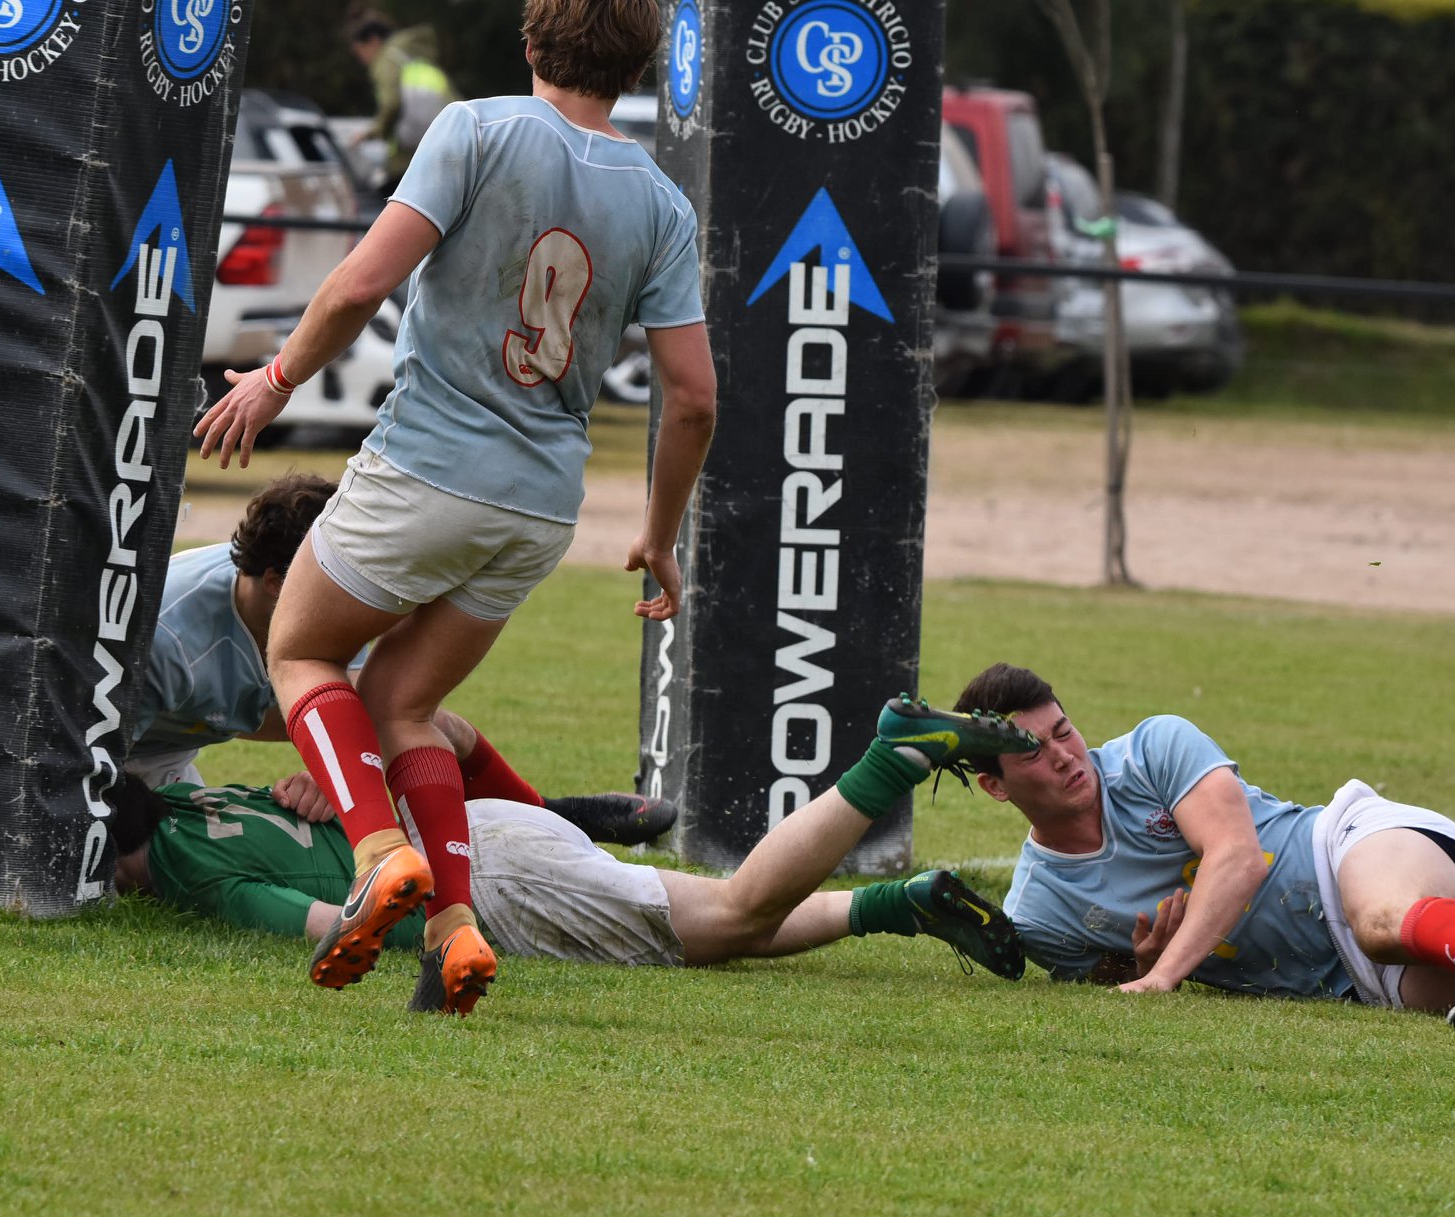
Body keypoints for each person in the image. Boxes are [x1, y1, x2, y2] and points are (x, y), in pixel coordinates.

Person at [193, 0, 716, 1016]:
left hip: (428, 469)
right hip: (539, 506)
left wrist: (275, 378)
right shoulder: (659, 200)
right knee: (403, 704)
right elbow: (691, 397)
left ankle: (379, 854)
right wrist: (657, 531)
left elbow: (357, 286)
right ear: (640, 64)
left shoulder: (473, 129)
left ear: (530, 43)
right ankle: (452, 926)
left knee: (299, 652)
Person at [108, 698, 1038, 1013]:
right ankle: (905, 904)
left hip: (487, 883)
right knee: (721, 928)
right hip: (486, 831)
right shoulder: (199, 794)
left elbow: (351, 924)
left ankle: (893, 758)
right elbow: (438, 729)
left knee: (734, 913)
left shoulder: (187, 870)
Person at [951, 662, 1455, 1029]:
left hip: (1349, 849)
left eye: (1065, 731)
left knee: (1381, 920)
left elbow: (1238, 858)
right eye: (1034, 751)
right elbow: (1114, 985)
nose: (1066, 756)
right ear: (994, 786)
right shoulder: (1039, 914)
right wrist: (1147, 967)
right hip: (1346, 983)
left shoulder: (1152, 749)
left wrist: (1164, 978)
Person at [126, 472, 676, 845]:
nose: (351, 587)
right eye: (336, 571)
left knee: (418, 720)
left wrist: (334, 766)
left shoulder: (309, 585)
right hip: (134, 754)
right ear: (276, 582)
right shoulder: (166, 640)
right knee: (167, 845)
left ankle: (550, 818)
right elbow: (86, 756)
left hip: (211, 718)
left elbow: (370, 709)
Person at [347, 11, 458, 197]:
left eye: (360, 51)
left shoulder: (387, 59)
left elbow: (392, 103)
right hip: (445, 139)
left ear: (373, 41)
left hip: (411, 153)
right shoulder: (412, 56)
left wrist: (373, 132)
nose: (362, 59)